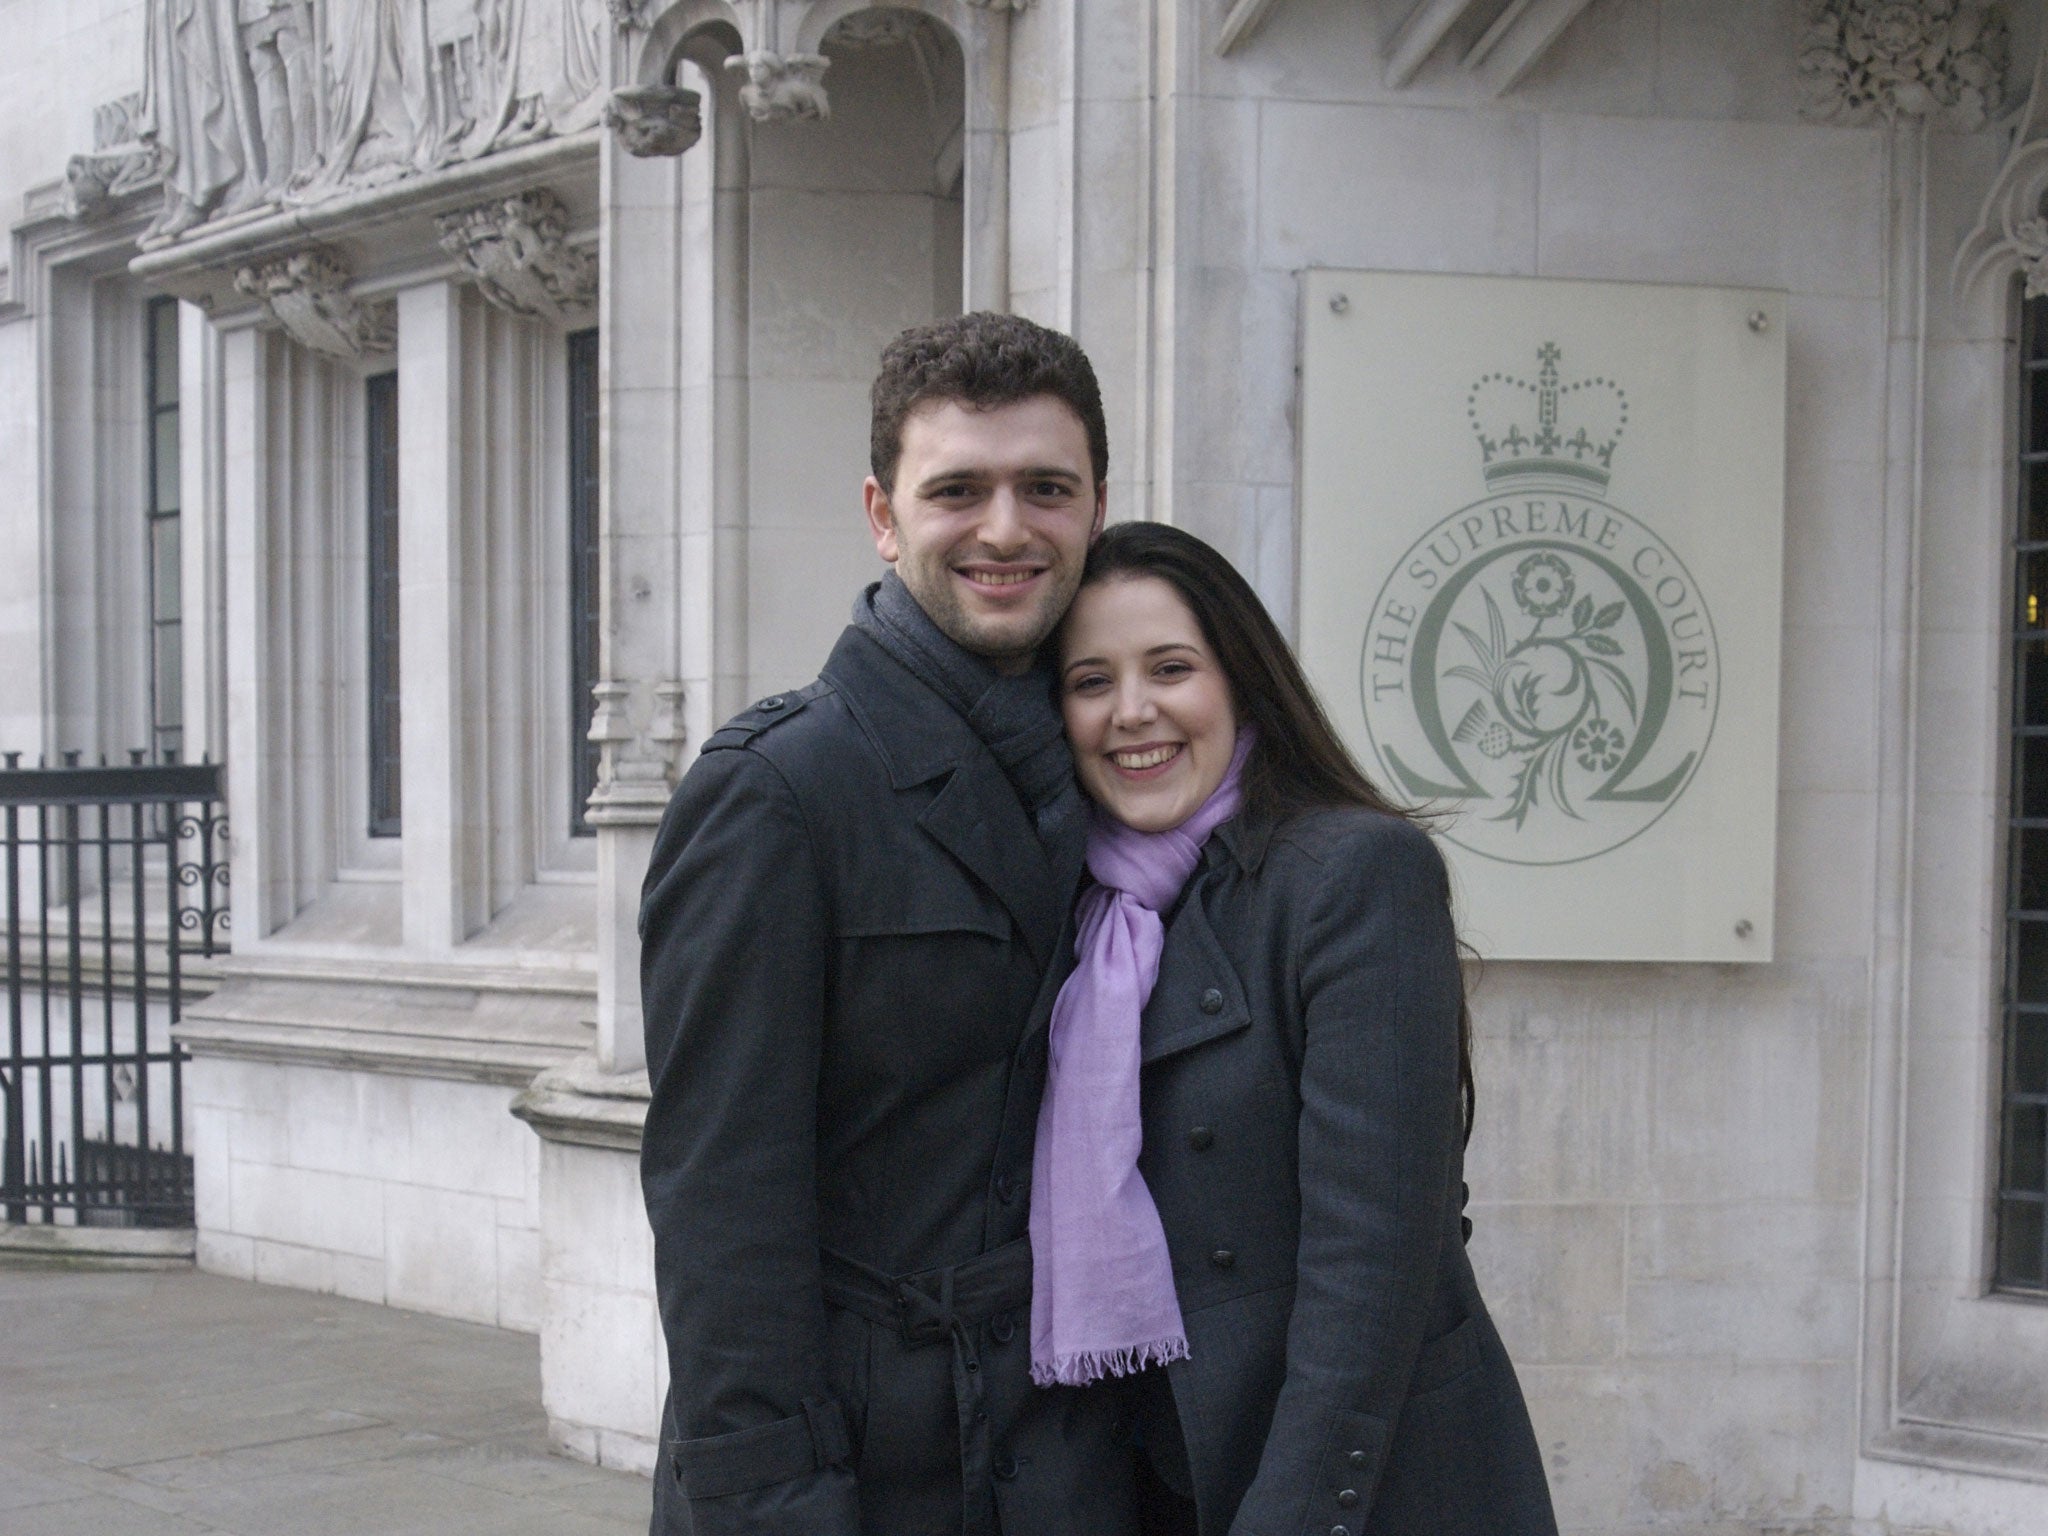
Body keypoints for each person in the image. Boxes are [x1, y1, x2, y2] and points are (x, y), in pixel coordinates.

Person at [637, 312, 1139, 1536]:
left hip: (1080, 1455)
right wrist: (781, 1507)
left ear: (1096, 506)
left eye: (1045, 488)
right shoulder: (775, 791)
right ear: (881, 513)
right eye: (956, 489)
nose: (1006, 529)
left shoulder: (1132, 774)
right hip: (863, 1473)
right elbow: (723, 1218)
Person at [1038, 522, 1558, 1536]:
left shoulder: (1351, 875)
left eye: (1170, 668)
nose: (1130, 712)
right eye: (1089, 681)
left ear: (1240, 682)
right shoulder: (1076, 918)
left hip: (1350, 1488)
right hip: (1154, 1476)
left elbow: (1371, 1261)